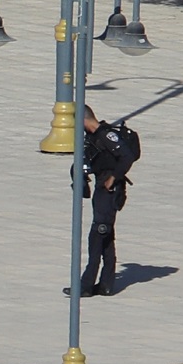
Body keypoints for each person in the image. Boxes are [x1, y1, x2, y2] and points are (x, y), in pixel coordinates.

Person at [64, 105, 136, 298]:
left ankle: (85, 286)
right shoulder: (93, 137)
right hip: (101, 188)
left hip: (109, 191)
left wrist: (114, 177)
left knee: (97, 235)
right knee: (106, 236)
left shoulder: (106, 135)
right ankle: (106, 284)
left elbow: (127, 156)